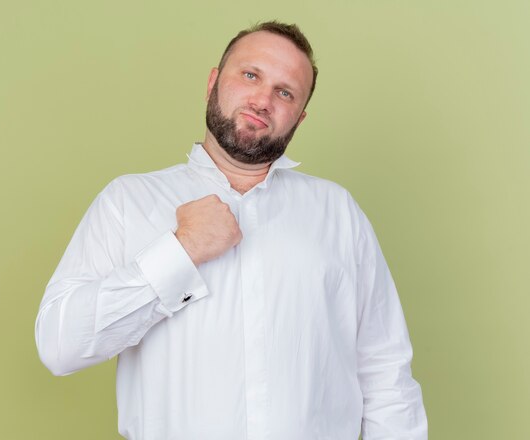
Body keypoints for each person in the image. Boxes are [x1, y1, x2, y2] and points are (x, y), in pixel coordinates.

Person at [35, 21, 427, 440]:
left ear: (300, 115)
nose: (262, 100)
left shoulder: (338, 213)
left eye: (284, 91)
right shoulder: (129, 202)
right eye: (250, 75)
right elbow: (60, 346)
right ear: (213, 82)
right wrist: (179, 251)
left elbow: (386, 375)